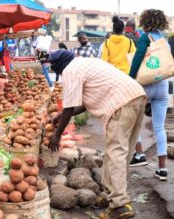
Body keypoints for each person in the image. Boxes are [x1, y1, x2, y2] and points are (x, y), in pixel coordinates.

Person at [48, 50, 146, 219]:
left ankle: (120, 204)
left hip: (120, 102)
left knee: (116, 152)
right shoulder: (86, 63)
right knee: (122, 152)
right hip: (136, 95)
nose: (59, 75)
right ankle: (110, 194)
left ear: (60, 67)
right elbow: (84, 104)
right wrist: (62, 116)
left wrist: (57, 135)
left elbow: (69, 107)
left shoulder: (70, 70)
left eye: (57, 72)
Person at [129, 9, 170, 181]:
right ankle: (162, 169)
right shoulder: (164, 41)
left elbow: (138, 58)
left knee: (136, 122)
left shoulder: (145, 38)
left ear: (145, 21)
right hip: (162, 85)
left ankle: (139, 155)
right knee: (159, 128)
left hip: (145, 85)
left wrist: (130, 78)